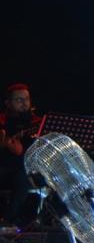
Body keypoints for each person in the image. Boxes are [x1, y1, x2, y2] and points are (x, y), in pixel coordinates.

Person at [0, 83, 42, 225]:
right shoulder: (2, 121)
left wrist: (21, 150)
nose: (25, 103)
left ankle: (9, 221)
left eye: (27, 99)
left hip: (25, 169)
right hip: (4, 167)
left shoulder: (37, 123)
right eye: (19, 100)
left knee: (23, 177)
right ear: (8, 103)